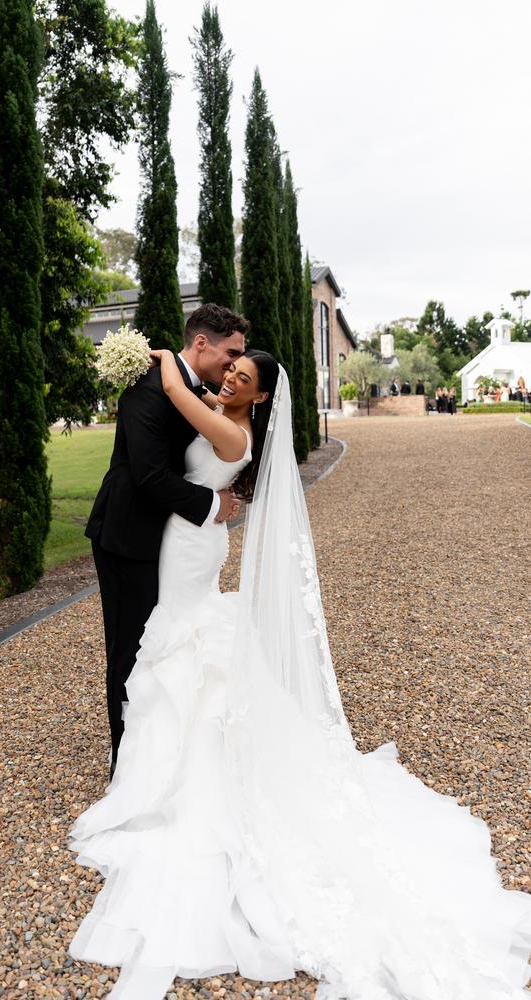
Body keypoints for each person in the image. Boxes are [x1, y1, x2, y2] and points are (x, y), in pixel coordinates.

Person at [69, 349, 531, 999]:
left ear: (260, 399)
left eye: (244, 379)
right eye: (231, 371)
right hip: (185, 534)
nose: (230, 379)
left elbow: (175, 393)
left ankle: (184, 777)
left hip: (193, 543)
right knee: (175, 646)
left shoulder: (233, 429)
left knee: (186, 640)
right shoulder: (222, 412)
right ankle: (159, 765)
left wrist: (161, 361)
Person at [84, 304, 248, 779]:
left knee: (165, 640)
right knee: (130, 644)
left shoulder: (192, 389)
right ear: (202, 343)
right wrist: (212, 505)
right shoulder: (147, 389)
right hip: (128, 534)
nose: (232, 364)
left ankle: (162, 742)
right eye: (229, 352)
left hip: (170, 542)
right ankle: (126, 761)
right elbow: (151, 475)